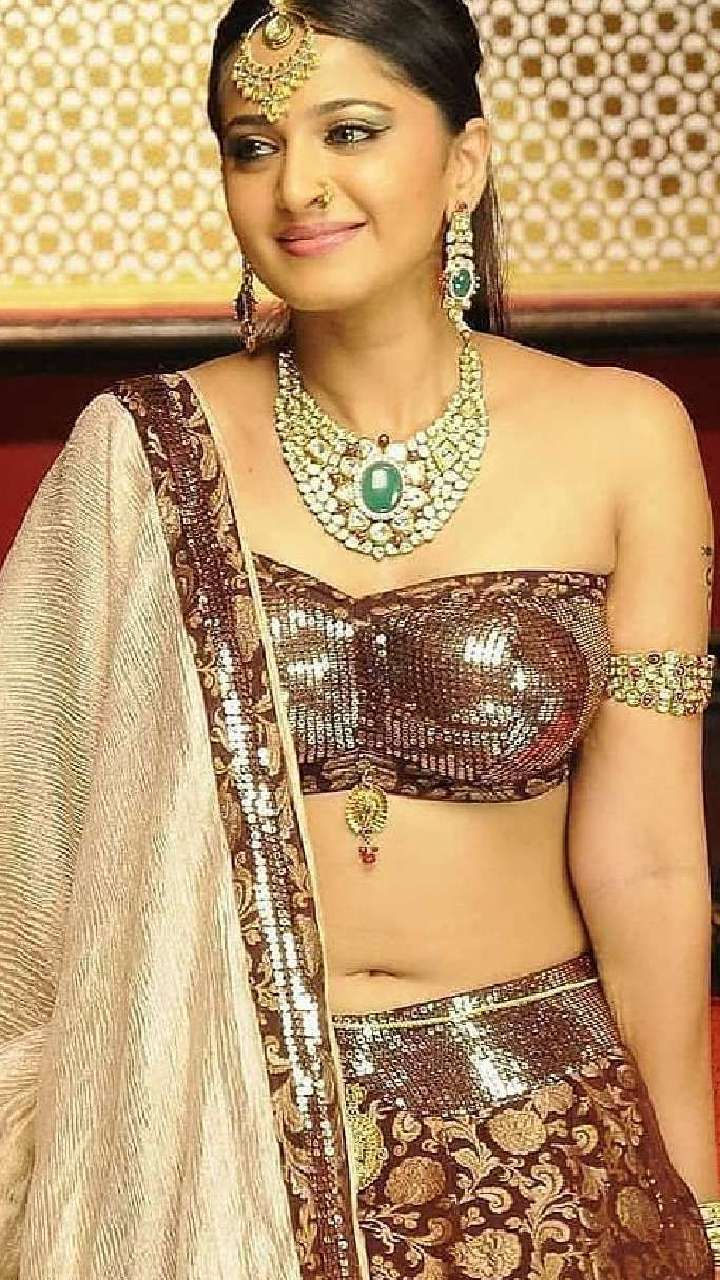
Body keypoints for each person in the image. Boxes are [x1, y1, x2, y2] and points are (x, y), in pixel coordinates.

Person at [0, 1, 718, 1276]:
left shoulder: (625, 437)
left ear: (466, 160)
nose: (297, 186)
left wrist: (692, 1182)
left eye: (352, 131)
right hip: (218, 1150)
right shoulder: (139, 456)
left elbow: (650, 861)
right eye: (253, 144)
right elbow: (26, 839)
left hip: (549, 1147)